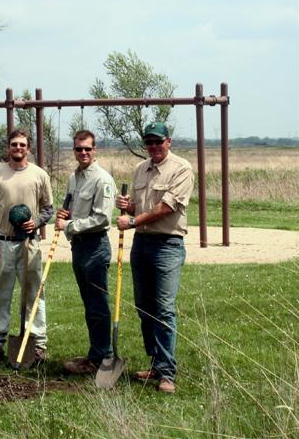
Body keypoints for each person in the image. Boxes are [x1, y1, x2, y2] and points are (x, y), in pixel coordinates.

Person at [116, 121, 194, 394]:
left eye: (158, 141)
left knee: (163, 309)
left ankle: (167, 374)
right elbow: (141, 206)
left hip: (168, 245)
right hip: (142, 244)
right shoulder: (140, 169)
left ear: (168, 141)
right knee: (144, 306)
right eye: (149, 142)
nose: (153, 147)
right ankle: (155, 363)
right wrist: (128, 206)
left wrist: (133, 219)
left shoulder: (181, 168)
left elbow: (165, 207)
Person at [0, 129, 54, 363]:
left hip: (29, 245)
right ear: (8, 148)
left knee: (34, 295)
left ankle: (38, 345)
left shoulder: (39, 175)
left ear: (28, 149)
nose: (18, 148)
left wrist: (37, 222)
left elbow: (48, 209)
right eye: (14, 144)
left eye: (22, 145)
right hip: (3, 244)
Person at [54, 130, 117, 375]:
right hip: (78, 247)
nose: (83, 153)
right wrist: (64, 214)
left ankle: (104, 357)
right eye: (79, 149)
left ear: (95, 149)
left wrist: (69, 226)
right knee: (88, 304)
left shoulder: (103, 180)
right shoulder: (74, 178)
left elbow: (102, 219)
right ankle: (96, 353)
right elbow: (70, 206)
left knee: (97, 305)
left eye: (87, 149)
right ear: (74, 150)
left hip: (95, 247)